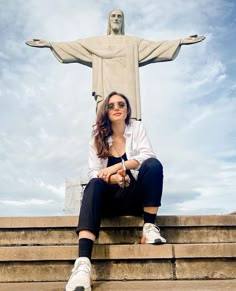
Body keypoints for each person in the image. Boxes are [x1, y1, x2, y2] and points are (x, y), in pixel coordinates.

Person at [25, 9, 205, 120]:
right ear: (109, 21)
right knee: (107, 118)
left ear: (122, 20)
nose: (116, 18)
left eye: (119, 16)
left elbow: (155, 47)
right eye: (113, 16)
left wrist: (180, 41)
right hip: (106, 87)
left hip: (127, 88)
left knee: (127, 121)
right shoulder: (97, 42)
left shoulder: (132, 43)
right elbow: (75, 46)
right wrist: (51, 44)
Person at [65, 91, 165, 291]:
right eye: (111, 105)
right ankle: (83, 264)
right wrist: (113, 178)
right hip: (108, 202)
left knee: (153, 165)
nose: (117, 108)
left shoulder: (137, 128)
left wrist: (118, 167)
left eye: (121, 104)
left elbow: (147, 156)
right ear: (105, 111)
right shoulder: (97, 138)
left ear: (127, 110)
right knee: (94, 183)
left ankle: (149, 227)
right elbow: (94, 172)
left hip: (135, 198)